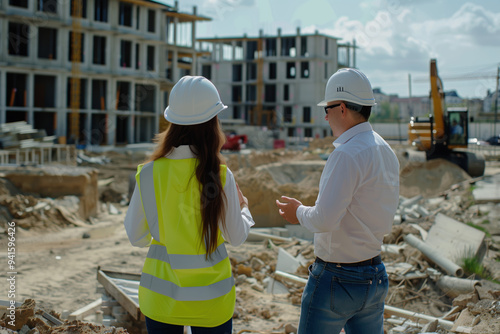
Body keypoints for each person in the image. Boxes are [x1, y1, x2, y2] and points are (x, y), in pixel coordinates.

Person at [124, 76, 255, 334]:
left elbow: (136, 237)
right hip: (212, 302)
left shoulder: (149, 174)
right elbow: (236, 237)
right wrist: (244, 208)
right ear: (213, 123)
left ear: (172, 122)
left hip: (162, 300)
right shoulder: (220, 176)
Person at [276, 68, 400, 334]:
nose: (325, 116)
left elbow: (324, 220)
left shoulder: (347, 154)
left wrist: (297, 211)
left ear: (342, 108)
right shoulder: (385, 150)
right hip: (375, 274)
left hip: (337, 277)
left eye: (328, 108)